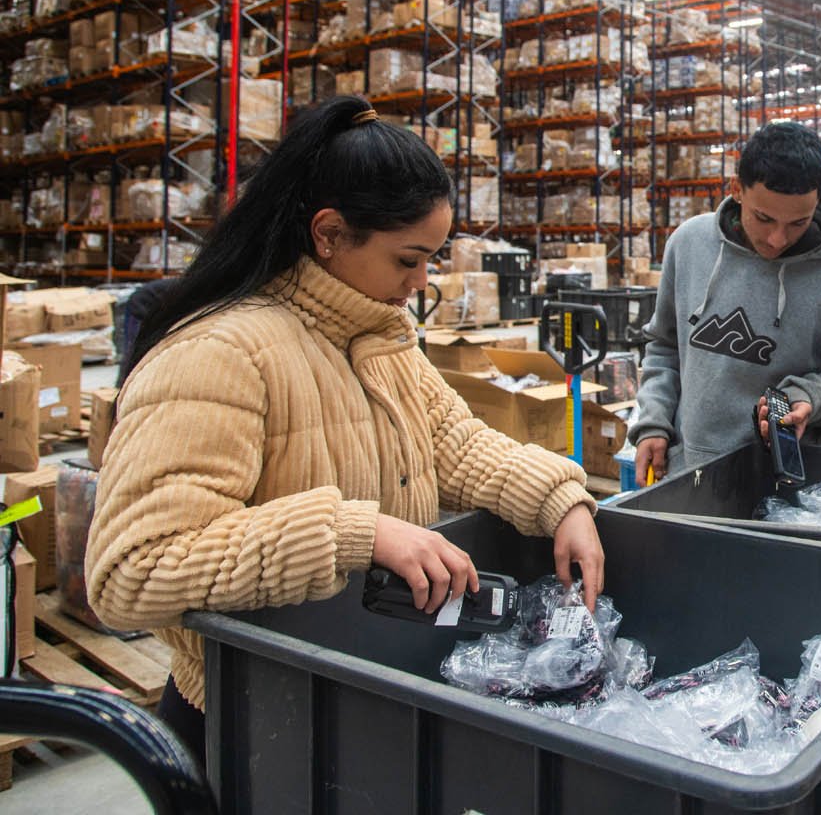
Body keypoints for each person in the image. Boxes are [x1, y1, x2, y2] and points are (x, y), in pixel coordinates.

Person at [86, 96, 606, 759]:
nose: (421, 282)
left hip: (361, 690)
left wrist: (560, 500)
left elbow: (455, 444)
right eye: (406, 259)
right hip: (251, 722)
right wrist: (352, 533)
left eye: (431, 260)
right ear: (329, 233)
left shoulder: (377, 334)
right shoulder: (217, 355)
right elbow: (131, 571)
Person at [630, 122, 821, 481]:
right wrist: (654, 424)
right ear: (736, 189)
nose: (776, 239)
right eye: (764, 218)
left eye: (798, 223)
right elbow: (664, 347)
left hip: (789, 494)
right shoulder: (689, 245)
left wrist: (812, 396)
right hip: (688, 477)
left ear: (817, 201)